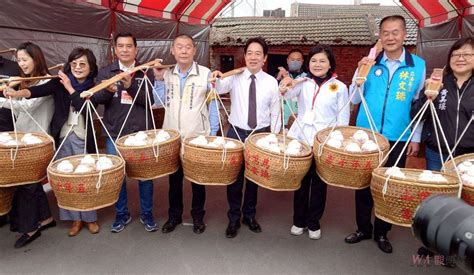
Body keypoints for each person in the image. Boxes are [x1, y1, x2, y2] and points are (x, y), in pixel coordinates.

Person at [345, 15, 426, 254]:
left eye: (395, 32)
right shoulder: (370, 64)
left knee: (387, 185)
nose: (390, 37)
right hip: (366, 135)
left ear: (404, 35)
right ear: (379, 37)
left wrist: (416, 136)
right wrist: (360, 72)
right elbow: (355, 99)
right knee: (363, 183)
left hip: (398, 135)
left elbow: (420, 104)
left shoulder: (418, 66)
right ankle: (363, 228)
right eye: (385, 33)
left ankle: (382, 232)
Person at [10, 48, 101, 236]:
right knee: (66, 178)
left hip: (84, 137)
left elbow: (83, 107)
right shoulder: (59, 83)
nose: (77, 67)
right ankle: (75, 219)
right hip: (63, 136)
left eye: (82, 64)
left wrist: (70, 87)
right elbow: (39, 89)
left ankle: (90, 218)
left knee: (86, 178)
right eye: (74, 63)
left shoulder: (96, 86)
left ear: (91, 68)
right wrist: (18, 94)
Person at [212, 37, 282, 238]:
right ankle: (233, 217)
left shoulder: (270, 82)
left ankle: (249, 216)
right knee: (234, 177)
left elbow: (276, 111)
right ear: (245, 56)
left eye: (258, 53)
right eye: (249, 53)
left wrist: (274, 136)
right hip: (236, 132)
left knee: (254, 177)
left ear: (264, 58)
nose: (253, 57)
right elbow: (216, 88)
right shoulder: (235, 77)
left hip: (259, 134)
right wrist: (216, 77)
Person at [280, 45, 350, 240]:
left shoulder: (340, 87)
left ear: (330, 64)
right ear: (307, 64)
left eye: (322, 61)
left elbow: (343, 118)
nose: (317, 64)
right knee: (300, 181)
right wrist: (286, 85)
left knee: (319, 184)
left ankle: (313, 222)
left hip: (323, 140)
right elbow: (286, 94)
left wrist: (336, 142)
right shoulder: (303, 82)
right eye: (313, 61)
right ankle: (298, 221)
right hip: (301, 139)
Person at [153, 34, 219, 234]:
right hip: (172, 136)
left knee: (198, 179)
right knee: (174, 180)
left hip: (197, 136)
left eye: (188, 47)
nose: (183, 51)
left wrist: (213, 133)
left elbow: (213, 103)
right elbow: (157, 101)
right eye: (179, 47)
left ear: (194, 50)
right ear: (172, 50)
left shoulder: (206, 73)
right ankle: (174, 216)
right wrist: (157, 79)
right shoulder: (166, 73)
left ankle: (198, 217)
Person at [93, 32, 156, 233]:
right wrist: (108, 91)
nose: (125, 49)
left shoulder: (145, 71)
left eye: (129, 46)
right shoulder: (106, 72)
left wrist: (129, 86)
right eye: (121, 46)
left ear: (136, 50)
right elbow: (97, 100)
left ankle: (147, 213)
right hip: (115, 133)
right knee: (118, 176)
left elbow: (149, 101)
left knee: (145, 177)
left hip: (141, 134)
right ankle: (122, 213)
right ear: (115, 49)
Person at [1, 42, 56, 248]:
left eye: (25, 59)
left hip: (38, 142)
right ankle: (46, 218)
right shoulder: (27, 82)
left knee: (27, 184)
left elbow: (27, 105)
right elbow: (17, 110)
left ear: (36, 58)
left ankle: (30, 227)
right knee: (30, 182)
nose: (21, 64)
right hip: (24, 139)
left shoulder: (45, 82)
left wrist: (8, 96)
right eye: (19, 60)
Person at [412, 37, 474, 169]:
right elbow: (416, 116)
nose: (460, 58)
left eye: (467, 54)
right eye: (455, 55)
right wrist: (426, 96)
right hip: (437, 154)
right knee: (437, 189)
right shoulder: (437, 84)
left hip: (470, 157)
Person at [0, 54, 20, 227]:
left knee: (11, 174)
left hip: (9, 128)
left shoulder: (13, 67)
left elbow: (24, 94)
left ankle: (14, 213)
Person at [276, 49, 307, 128]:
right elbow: (274, 94)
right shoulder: (280, 77)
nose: (295, 62)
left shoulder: (306, 79)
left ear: (302, 61)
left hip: (300, 121)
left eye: (298, 60)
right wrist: (278, 78)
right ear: (287, 61)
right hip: (283, 121)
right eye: (292, 60)